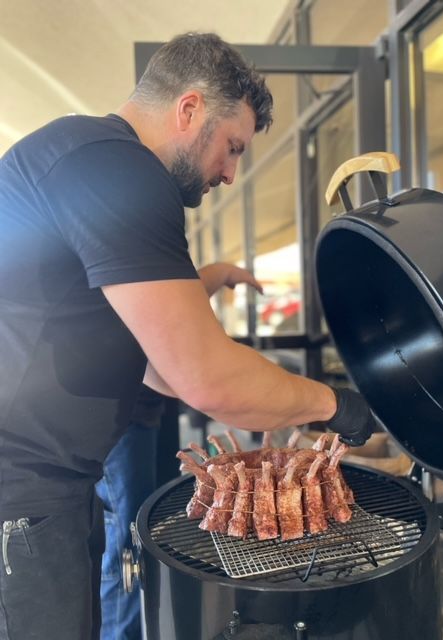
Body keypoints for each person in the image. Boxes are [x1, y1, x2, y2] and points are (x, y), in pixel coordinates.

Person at [0, 32, 374, 640]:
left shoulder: (82, 155)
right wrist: (338, 405)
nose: (229, 174)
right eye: (231, 148)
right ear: (189, 108)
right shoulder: (118, 171)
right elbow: (206, 379)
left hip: (47, 491)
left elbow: (160, 366)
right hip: (20, 499)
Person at [95, 264, 264, 640]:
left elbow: (167, 304)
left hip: (135, 420)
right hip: (118, 426)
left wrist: (219, 274)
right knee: (126, 545)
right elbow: (165, 331)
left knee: (131, 533)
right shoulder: (131, 222)